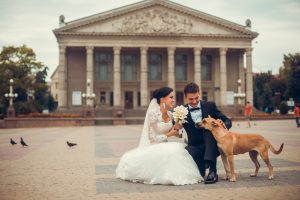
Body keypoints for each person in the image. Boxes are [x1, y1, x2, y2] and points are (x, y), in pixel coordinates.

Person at [116, 87, 203, 185]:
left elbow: (177, 134)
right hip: (153, 146)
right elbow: (152, 139)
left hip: (165, 144)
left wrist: (178, 127)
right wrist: (170, 134)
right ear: (162, 99)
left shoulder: (170, 114)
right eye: (171, 97)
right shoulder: (153, 114)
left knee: (181, 150)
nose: (173, 100)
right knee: (173, 152)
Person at [181, 82, 232, 184]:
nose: (195, 101)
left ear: (199, 94)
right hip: (195, 147)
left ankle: (213, 171)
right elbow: (173, 128)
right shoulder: (180, 111)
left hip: (212, 145)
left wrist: (222, 124)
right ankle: (204, 163)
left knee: (208, 131)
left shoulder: (210, 106)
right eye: (191, 99)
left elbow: (227, 121)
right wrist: (177, 126)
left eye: (197, 98)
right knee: (200, 174)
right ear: (185, 97)